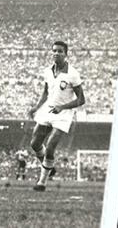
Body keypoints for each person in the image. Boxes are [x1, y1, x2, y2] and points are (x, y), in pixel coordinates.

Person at [28, 41, 85, 191]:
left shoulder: (72, 74)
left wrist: (62, 107)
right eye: (54, 51)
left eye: (60, 51)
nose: (56, 53)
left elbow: (81, 99)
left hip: (64, 113)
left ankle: (42, 183)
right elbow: (46, 92)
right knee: (34, 143)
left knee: (51, 146)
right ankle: (49, 167)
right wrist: (36, 107)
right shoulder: (47, 71)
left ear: (66, 54)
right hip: (48, 109)